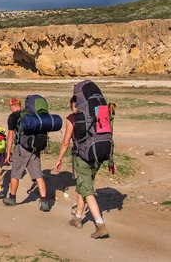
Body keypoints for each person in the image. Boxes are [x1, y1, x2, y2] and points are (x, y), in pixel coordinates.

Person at [54, 95, 116, 239]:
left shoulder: (72, 118)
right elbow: (107, 136)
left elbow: (65, 142)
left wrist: (59, 159)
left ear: (72, 104)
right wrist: (111, 161)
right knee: (84, 184)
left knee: (87, 190)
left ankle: (100, 225)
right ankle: (77, 218)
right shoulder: (94, 115)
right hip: (97, 155)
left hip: (82, 157)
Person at [3, 98, 50, 212]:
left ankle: (12, 198)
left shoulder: (13, 117)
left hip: (22, 148)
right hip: (34, 148)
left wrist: (8, 152)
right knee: (38, 175)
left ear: (12, 105)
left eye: (9, 106)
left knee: (15, 174)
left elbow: (10, 137)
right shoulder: (31, 114)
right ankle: (44, 202)